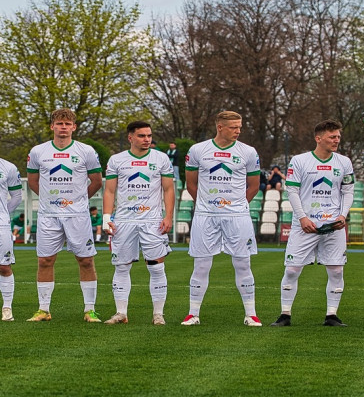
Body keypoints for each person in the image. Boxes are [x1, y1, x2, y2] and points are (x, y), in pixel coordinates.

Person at [270, 119, 355, 328]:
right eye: (332, 137)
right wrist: (302, 217)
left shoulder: (344, 162)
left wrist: (342, 216)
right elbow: (292, 191)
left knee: (336, 270)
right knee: (291, 269)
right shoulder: (299, 161)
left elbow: (348, 192)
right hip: (305, 225)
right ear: (318, 138)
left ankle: (332, 315)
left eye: (338, 137)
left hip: (333, 225)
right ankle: (285, 315)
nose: (336, 140)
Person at [181, 110, 263, 326]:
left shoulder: (248, 152)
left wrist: (236, 206)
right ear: (220, 127)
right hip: (206, 216)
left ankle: (251, 314)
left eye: (240, 126)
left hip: (237, 216)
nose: (239, 130)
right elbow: (191, 184)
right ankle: (193, 314)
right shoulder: (198, 150)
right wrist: (206, 206)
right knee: (201, 265)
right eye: (234, 127)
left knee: (243, 263)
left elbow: (254, 186)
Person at [26, 108, 103, 323]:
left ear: (74, 127)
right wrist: (51, 201)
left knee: (86, 260)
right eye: (59, 123)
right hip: (48, 215)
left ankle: (90, 310)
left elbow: (96, 181)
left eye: (67, 124)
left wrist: (79, 201)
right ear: (52, 126)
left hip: (77, 215)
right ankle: (43, 310)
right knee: (45, 260)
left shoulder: (85, 151)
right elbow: (32, 181)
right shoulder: (38, 151)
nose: (63, 127)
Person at [101, 121, 175, 325]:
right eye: (142, 136)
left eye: (149, 136)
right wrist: (107, 218)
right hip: (124, 221)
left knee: (156, 268)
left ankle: (158, 314)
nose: (147, 140)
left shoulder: (161, 158)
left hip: (152, 221)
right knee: (121, 267)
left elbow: (168, 189)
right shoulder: (117, 160)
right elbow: (109, 191)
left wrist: (168, 216)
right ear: (130, 137)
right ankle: (121, 313)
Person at [0, 156, 23, 321]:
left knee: (4, 266)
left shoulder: (8, 167)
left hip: (1, 224)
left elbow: (16, 196)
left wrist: (3, 213)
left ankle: (7, 307)